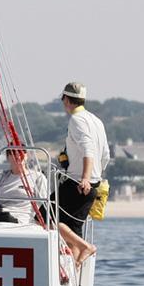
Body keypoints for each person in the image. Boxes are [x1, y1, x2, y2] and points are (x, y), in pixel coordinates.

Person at [56, 82, 109, 238]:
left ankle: (86, 248)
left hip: (78, 183)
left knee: (44, 216)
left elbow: (88, 149)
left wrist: (85, 178)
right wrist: (94, 176)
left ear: (66, 99)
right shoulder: (97, 121)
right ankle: (77, 260)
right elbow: (105, 154)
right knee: (74, 227)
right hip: (94, 184)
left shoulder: (76, 120)